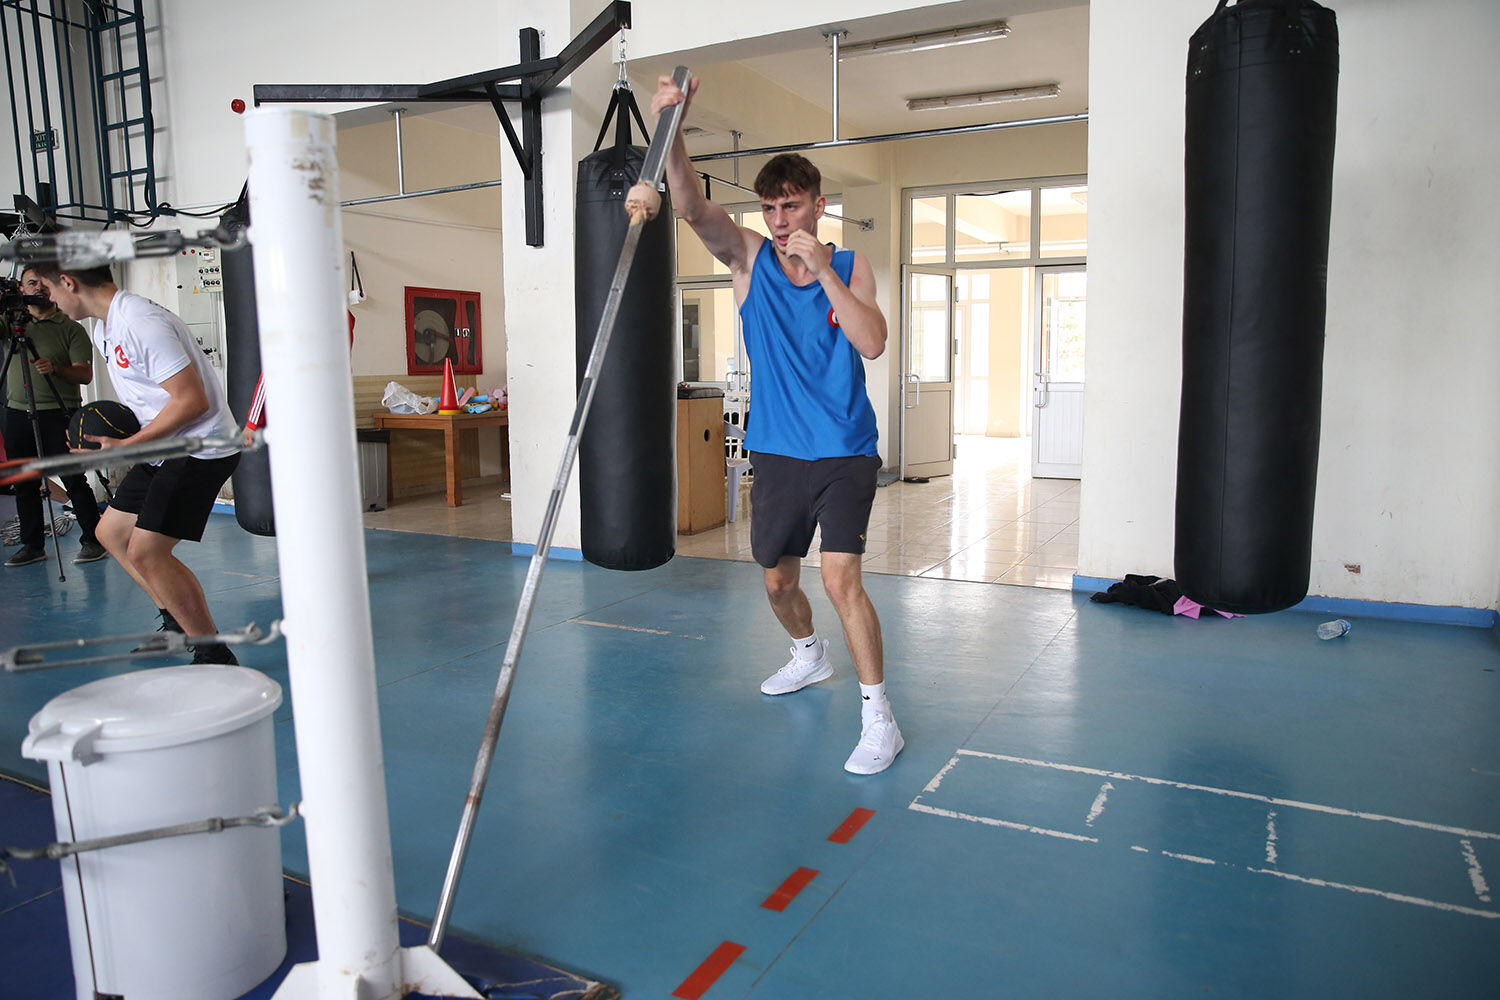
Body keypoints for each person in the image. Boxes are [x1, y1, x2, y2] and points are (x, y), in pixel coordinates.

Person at [652, 75, 903, 775]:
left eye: (791, 205)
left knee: (840, 579)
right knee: (777, 585)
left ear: (819, 205)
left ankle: (879, 718)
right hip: (778, 452)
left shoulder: (850, 265)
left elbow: (872, 343)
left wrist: (824, 273)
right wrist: (675, 127)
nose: (780, 219)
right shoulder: (748, 259)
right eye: (769, 208)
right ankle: (808, 654)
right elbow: (690, 206)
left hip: (845, 451)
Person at [32, 261, 242, 665]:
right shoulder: (104, 327)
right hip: (164, 447)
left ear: (69, 282)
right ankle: (178, 623)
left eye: (49, 289)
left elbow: (192, 401)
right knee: (110, 533)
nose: (51, 300)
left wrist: (125, 446)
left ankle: (214, 653)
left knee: (148, 552)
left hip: (200, 448)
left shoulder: (140, 322)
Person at [2, 266, 107, 567]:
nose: (38, 288)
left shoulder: (70, 328)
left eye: (43, 283)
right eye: (30, 283)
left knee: (73, 478)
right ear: (21, 289)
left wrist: (57, 369)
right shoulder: (11, 324)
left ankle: (94, 540)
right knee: (25, 482)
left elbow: (85, 375)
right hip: (17, 413)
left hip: (59, 413)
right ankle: (32, 545)